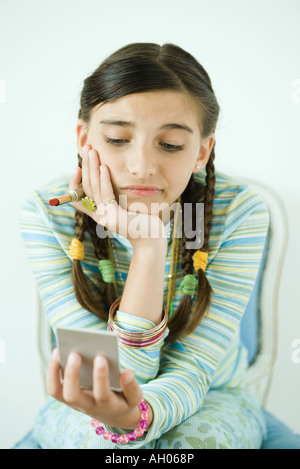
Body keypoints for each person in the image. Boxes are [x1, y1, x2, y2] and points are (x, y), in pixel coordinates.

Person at [14, 42, 269, 449]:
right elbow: (105, 378)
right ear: (84, 139)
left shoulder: (238, 212)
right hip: (87, 399)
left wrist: (140, 416)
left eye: (170, 145)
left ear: (202, 151)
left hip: (213, 394)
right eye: (117, 139)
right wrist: (120, 416)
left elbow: (197, 366)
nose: (142, 166)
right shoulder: (49, 214)